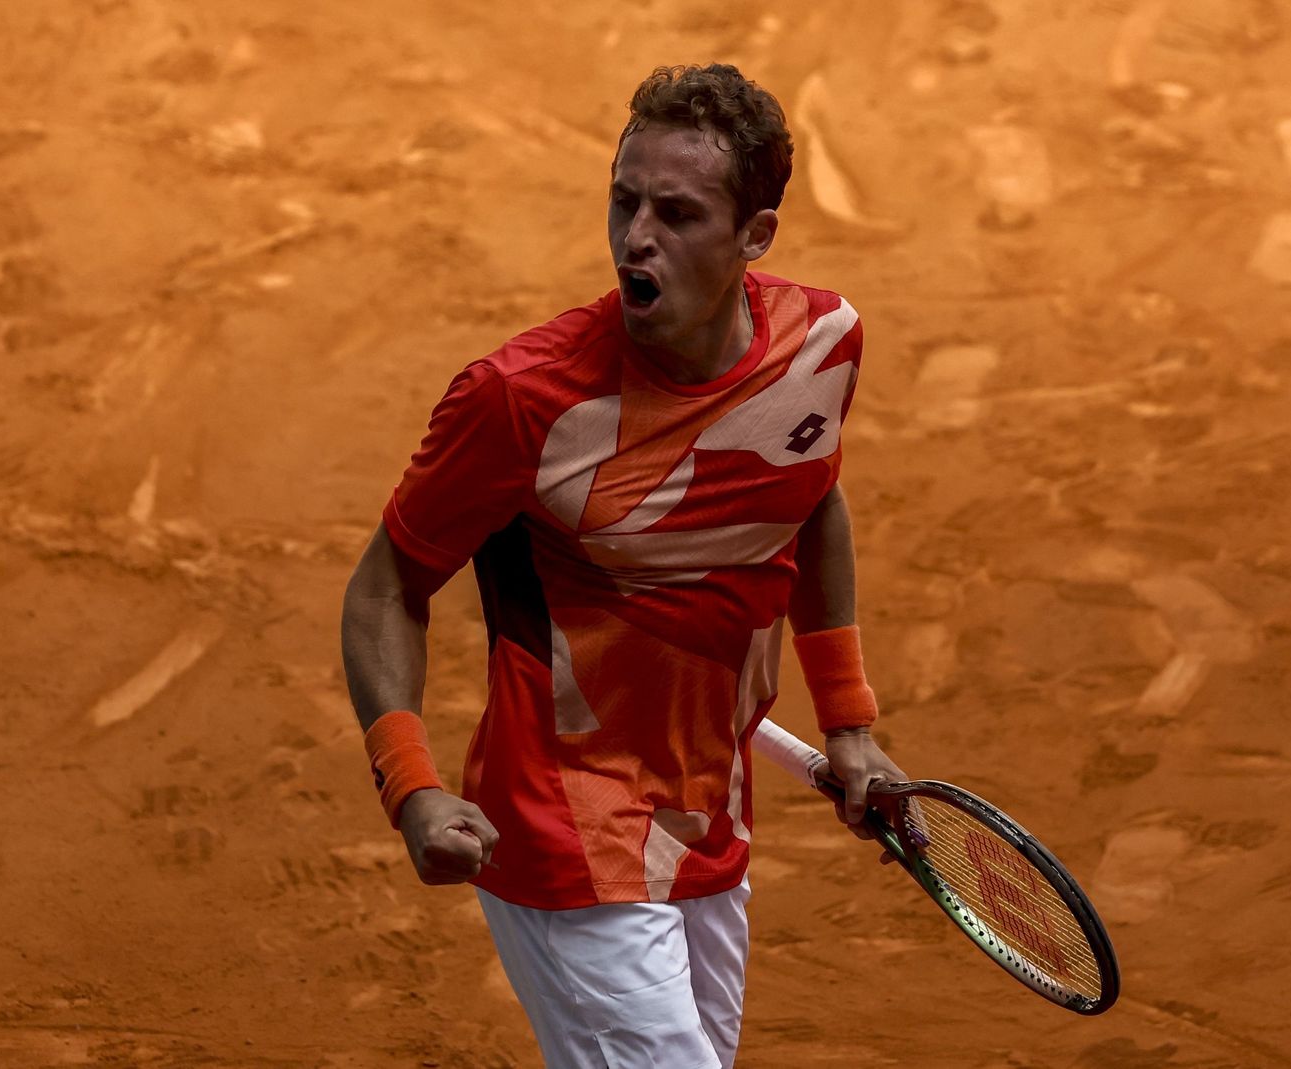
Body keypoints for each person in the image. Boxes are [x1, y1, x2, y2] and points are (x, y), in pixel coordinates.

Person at [340, 62, 903, 1069]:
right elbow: (389, 583)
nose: (636, 237)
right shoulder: (520, 399)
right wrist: (412, 785)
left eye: (678, 214)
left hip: (705, 818)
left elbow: (811, 496)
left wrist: (849, 722)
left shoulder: (820, 343)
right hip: (565, 822)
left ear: (754, 238)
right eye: (623, 200)